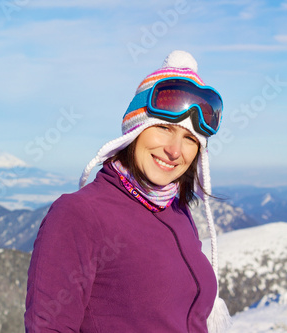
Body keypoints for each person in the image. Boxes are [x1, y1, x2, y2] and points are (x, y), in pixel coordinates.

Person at [24, 50, 232, 333]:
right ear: (134, 132)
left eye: (189, 139)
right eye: (163, 128)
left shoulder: (177, 210)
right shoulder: (79, 214)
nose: (174, 151)